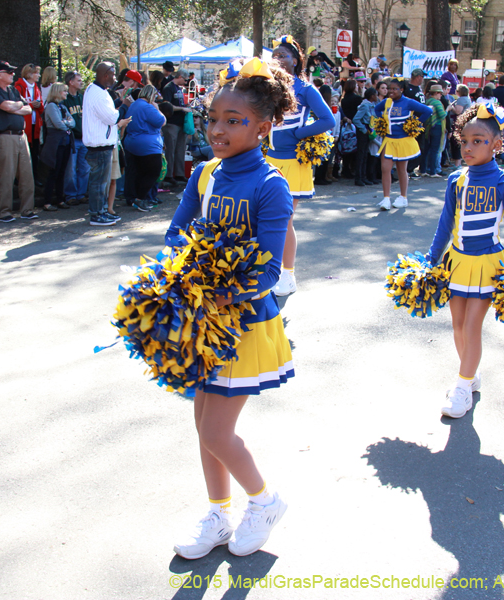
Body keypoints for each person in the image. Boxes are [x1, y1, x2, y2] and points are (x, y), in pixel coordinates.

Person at [167, 57, 294, 561]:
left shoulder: (271, 184)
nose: (217, 129)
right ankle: (219, 513)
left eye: (233, 121)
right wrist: (184, 272)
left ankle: (265, 502)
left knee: (217, 430)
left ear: (263, 128)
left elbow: (267, 268)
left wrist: (221, 291)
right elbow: (176, 233)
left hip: (241, 323)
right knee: (204, 429)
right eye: (213, 118)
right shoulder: (203, 173)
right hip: (201, 319)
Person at [425, 104, 504, 418]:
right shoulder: (456, 180)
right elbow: (445, 222)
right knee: (457, 326)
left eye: (479, 141)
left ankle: (461, 385)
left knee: (472, 327)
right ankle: (470, 375)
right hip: (456, 262)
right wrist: (430, 259)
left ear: (497, 142)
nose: (469, 147)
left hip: (488, 265)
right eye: (465, 140)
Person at [267, 35, 335, 297]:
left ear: (295, 61)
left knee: (284, 219)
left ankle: (288, 274)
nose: (278, 59)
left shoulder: (305, 89)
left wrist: (298, 134)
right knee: (266, 217)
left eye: (283, 55)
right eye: (274, 55)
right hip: (269, 159)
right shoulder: (267, 86)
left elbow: (327, 120)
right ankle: (269, 270)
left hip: (294, 162)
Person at [0, 60, 35, 223]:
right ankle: (4, 211)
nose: (13, 74)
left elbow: (29, 108)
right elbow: (7, 106)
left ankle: (27, 209)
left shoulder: (12, 90)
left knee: (27, 174)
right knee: (7, 174)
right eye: (9, 72)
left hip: (21, 135)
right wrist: (19, 105)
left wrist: (16, 106)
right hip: (4, 136)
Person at [375, 77, 433, 209]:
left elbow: (427, 111)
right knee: (385, 168)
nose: (391, 91)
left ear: (401, 89)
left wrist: (415, 124)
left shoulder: (408, 102)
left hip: (403, 140)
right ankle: (386, 199)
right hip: (389, 140)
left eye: (394, 89)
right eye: (389, 89)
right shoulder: (386, 102)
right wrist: (381, 122)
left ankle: (403, 197)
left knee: (402, 169)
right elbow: (377, 109)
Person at [83, 62, 124, 226]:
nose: (115, 78)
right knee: (98, 183)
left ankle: (101, 211)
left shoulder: (98, 91)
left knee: (101, 182)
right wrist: (122, 107)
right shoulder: (98, 94)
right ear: (105, 75)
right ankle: (96, 214)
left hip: (102, 144)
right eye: (113, 74)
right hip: (99, 145)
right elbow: (112, 118)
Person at [123, 84, 165, 213]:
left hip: (132, 142)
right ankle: (140, 198)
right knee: (153, 172)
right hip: (148, 146)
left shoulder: (134, 105)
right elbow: (161, 121)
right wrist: (157, 108)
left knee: (137, 172)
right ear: (152, 95)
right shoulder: (147, 107)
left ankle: (134, 197)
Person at [40, 82, 74, 211]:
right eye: (64, 91)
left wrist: (65, 123)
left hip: (65, 142)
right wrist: (66, 123)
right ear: (58, 92)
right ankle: (47, 202)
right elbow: (58, 124)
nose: (66, 93)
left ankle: (60, 199)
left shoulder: (63, 107)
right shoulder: (51, 106)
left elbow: (73, 121)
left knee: (62, 172)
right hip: (55, 144)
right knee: (53, 172)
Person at [62, 71, 89, 207]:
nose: (81, 83)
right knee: (71, 169)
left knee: (85, 168)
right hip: (72, 138)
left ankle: (81, 193)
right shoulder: (65, 99)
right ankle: (71, 195)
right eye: (78, 80)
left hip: (84, 138)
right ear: (70, 82)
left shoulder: (82, 98)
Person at [161, 69, 191, 185]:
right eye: (184, 79)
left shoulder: (179, 88)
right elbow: (166, 105)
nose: (185, 81)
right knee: (170, 150)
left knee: (180, 149)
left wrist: (185, 106)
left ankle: (180, 174)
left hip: (180, 122)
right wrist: (182, 109)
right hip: (171, 122)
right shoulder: (169, 88)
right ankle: (168, 175)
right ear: (179, 76)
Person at [15, 64, 44, 174]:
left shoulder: (36, 87)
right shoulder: (19, 87)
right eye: (36, 73)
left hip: (35, 124)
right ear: (29, 74)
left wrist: (38, 105)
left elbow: (40, 104)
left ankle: (34, 177)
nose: (39, 75)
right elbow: (18, 106)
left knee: (35, 152)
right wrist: (31, 105)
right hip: (24, 125)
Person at [353, 87, 377, 186]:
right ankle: (358, 177)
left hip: (368, 130)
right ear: (372, 96)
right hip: (363, 131)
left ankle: (363, 177)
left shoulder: (371, 105)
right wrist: (363, 129)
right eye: (375, 94)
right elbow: (356, 119)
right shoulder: (365, 106)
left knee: (365, 155)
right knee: (361, 155)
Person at [423, 84, 447, 178]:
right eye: (440, 93)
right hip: (437, 127)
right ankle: (433, 171)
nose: (441, 95)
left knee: (426, 150)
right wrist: (448, 109)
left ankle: (423, 169)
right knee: (434, 150)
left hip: (428, 127)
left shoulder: (427, 101)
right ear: (436, 93)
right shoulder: (437, 103)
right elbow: (442, 115)